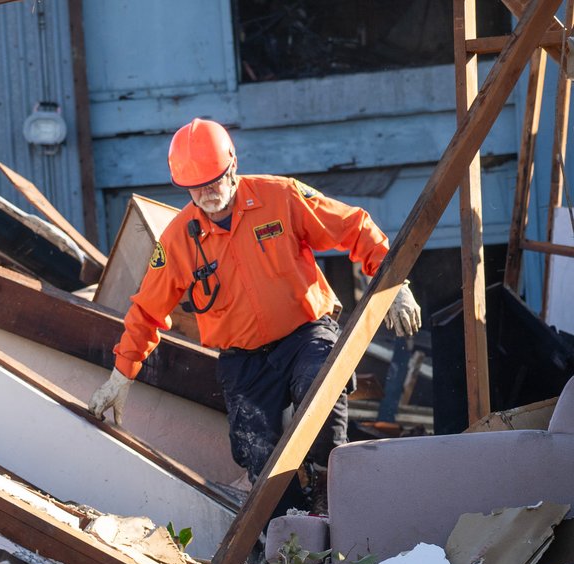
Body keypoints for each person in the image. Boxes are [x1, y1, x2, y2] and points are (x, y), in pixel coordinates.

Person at [89, 118, 421, 514]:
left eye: (214, 181)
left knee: (321, 389)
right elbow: (147, 309)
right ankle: (290, 537)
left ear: (232, 167)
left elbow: (352, 227)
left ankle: (333, 492)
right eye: (197, 188)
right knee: (257, 453)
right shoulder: (179, 240)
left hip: (305, 335)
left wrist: (394, 281)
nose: (208, 194)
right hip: (244, 360)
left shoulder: (280, 197)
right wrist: (120, 376)